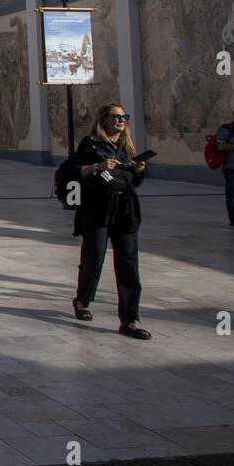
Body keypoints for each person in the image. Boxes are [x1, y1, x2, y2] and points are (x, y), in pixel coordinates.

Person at [72, 103, 151, 340]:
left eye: (124, 116)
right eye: (115, 117)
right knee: (94, 260)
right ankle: (82, 300)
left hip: (125, 209)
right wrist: (98, 166)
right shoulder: (91, 143)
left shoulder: (127, 147)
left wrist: (138, 170)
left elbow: (133, 182)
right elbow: (73, 171)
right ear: (104, 119)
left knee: (128, 263)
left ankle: (130, 319)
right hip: (96, 209)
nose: (121, 120)